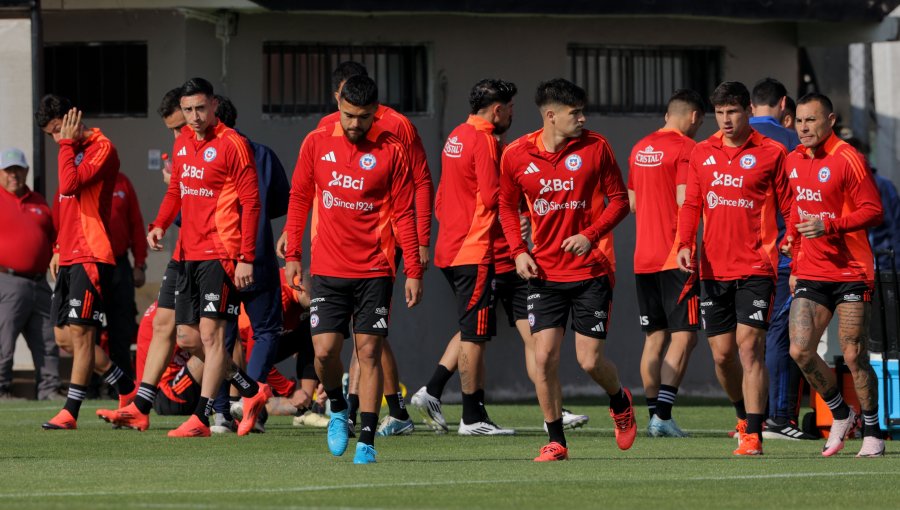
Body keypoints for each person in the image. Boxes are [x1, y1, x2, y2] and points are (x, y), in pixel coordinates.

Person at [284, 74, 424, 464]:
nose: (354, 124)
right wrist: (292, 254)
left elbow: (404, 214)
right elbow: (299, 197)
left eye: (363, 117)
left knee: (369, 351)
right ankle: (337, 407)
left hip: (376, 269)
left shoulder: (392, 150)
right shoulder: (316, 141)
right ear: (337, 102)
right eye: (348, 115)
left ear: (376, 112)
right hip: (328, 267)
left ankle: (366, 440)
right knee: (325, 352)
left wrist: (413, 268)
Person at [498, 78, 634, 462]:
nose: (582, 118)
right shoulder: (515, 154)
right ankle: (556, 440)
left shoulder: (596, 147)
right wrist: (517, 251)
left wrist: (590, 235)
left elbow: (620, 202)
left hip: (591, 269)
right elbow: (506, 207)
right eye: (575, 113)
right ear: (551, 116)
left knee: (589, 360)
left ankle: (620, 400)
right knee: (544, 358)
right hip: (542, 272)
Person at [147, 78, 270, 437]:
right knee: (187, 338)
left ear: (214, 105)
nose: (195, 116)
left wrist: (246, 256)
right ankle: (250, 389)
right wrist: (159, 224)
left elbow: (252, 203)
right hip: (188, 252)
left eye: (201, 108)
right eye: (188, 110)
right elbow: (176, 190)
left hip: (221, 253)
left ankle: (202, 417)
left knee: (213, 336)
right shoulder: (183, 142)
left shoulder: (233, 144)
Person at [677, 81, 792, 456]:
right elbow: (692, 204)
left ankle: (755, 435)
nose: (726, 120)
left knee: (749, 348)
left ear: (747, 112)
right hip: (712, 269)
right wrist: (683, 244)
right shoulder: (702, 152)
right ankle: (743, 415)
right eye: (720, 113)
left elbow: (790, 207)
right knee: (723, 356)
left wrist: (795, 240)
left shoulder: (772, 152)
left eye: (733, 112)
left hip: (757, 266)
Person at [782, 92, 886, 457]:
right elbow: (797, 207)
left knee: (854, 354)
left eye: (812, 120)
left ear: (830, 120)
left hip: (852, 270)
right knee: (799, 350)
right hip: (811, 269)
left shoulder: (848, 158)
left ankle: (873, 431)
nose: (805, 127)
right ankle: (842, 413)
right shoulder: (793, 159)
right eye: (799, 120)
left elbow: (874, 209)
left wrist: (831, 225)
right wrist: (791, 246)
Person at [417, 79, 518, 436]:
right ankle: (472, 417)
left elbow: (443, 198)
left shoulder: (457, 135)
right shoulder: (487, 140)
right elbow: (493, 196)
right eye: (509, 108)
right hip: (473, 250)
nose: (512, 114)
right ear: (496, 110)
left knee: (469, 329)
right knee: (475, 336)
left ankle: (432, 390)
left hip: (452, 246)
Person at [36, 94, 136, 429]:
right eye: (51, 134)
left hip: (93, 255)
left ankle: (70, 411)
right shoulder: (70, 150)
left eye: (57, 129)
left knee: (82, 335)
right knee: (64, 338)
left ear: (71, 119)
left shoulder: (101, 147)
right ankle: (125, 385)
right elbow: (66, 204)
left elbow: (70, 183)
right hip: (69, 255)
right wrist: (58, 246)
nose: (55, 139)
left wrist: (65, 144)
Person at [627, 89, 704, 437]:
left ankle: (652, 416)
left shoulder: (639, 148)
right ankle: (664, 415)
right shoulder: (688, 149)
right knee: (685, 336)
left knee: (654, 338)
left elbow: (631, 202)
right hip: (676, 255)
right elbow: (683, 199)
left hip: (643, 257)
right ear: (693, 117)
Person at [212, 95, 289, 431]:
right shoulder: (261, 154)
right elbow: (278, 203)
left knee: (219, 336)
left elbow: (190, 216)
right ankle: (249, 401)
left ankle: (219, 412)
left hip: (213, 259)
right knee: (266, 330)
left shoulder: (204, 157)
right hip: (255, 255)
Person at [750, 78, 816, 440]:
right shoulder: (793, 142)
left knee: (747, 339)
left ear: (748, 109)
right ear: (785, 106)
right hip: (786, 254)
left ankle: (750, 418)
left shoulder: (734, 140)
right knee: (781, 333)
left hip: (742, 258)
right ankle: (779, 418)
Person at [0, 147, 62, 400]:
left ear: (26, 170)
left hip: (39, 283)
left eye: (18, 169)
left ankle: (49, 389)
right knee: (4, 340)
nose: (14, 175)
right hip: (7, 280)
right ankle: (1, 389)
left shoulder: (38, 201)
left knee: (47, 339)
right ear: (1, 173)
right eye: (9, 170)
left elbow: (52, 237)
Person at [104, 171, 148, 383]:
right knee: (88, 329)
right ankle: (91, 385)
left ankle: (123, 385)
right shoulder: (79, 178)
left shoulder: (122, 182)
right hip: (91, 264)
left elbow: (136, 225)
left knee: (122, 328)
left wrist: (139, 263)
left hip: (119, 264)